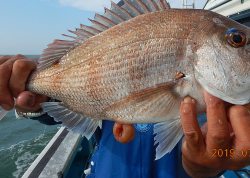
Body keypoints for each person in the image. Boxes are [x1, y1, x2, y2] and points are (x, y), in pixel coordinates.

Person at [1, 55, 250, 178]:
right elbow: (55, 111)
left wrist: (209, 162)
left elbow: (224, 155)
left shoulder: (226, 108)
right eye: (239, 41)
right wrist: (30, 97)